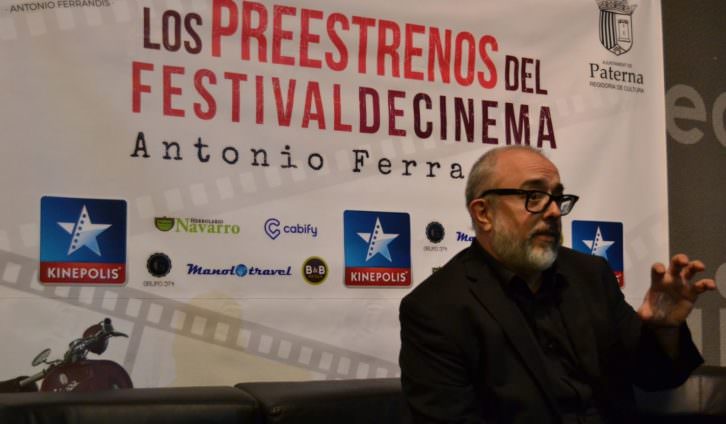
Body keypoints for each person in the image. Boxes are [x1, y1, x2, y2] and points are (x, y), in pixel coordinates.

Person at [399, 145, 716, 423]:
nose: (553, 210)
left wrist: (663, 330)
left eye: (557, 197)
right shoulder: (436, 308)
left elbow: (656, 377)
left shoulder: (591, 275)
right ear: (484, 213)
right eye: (533, 196)